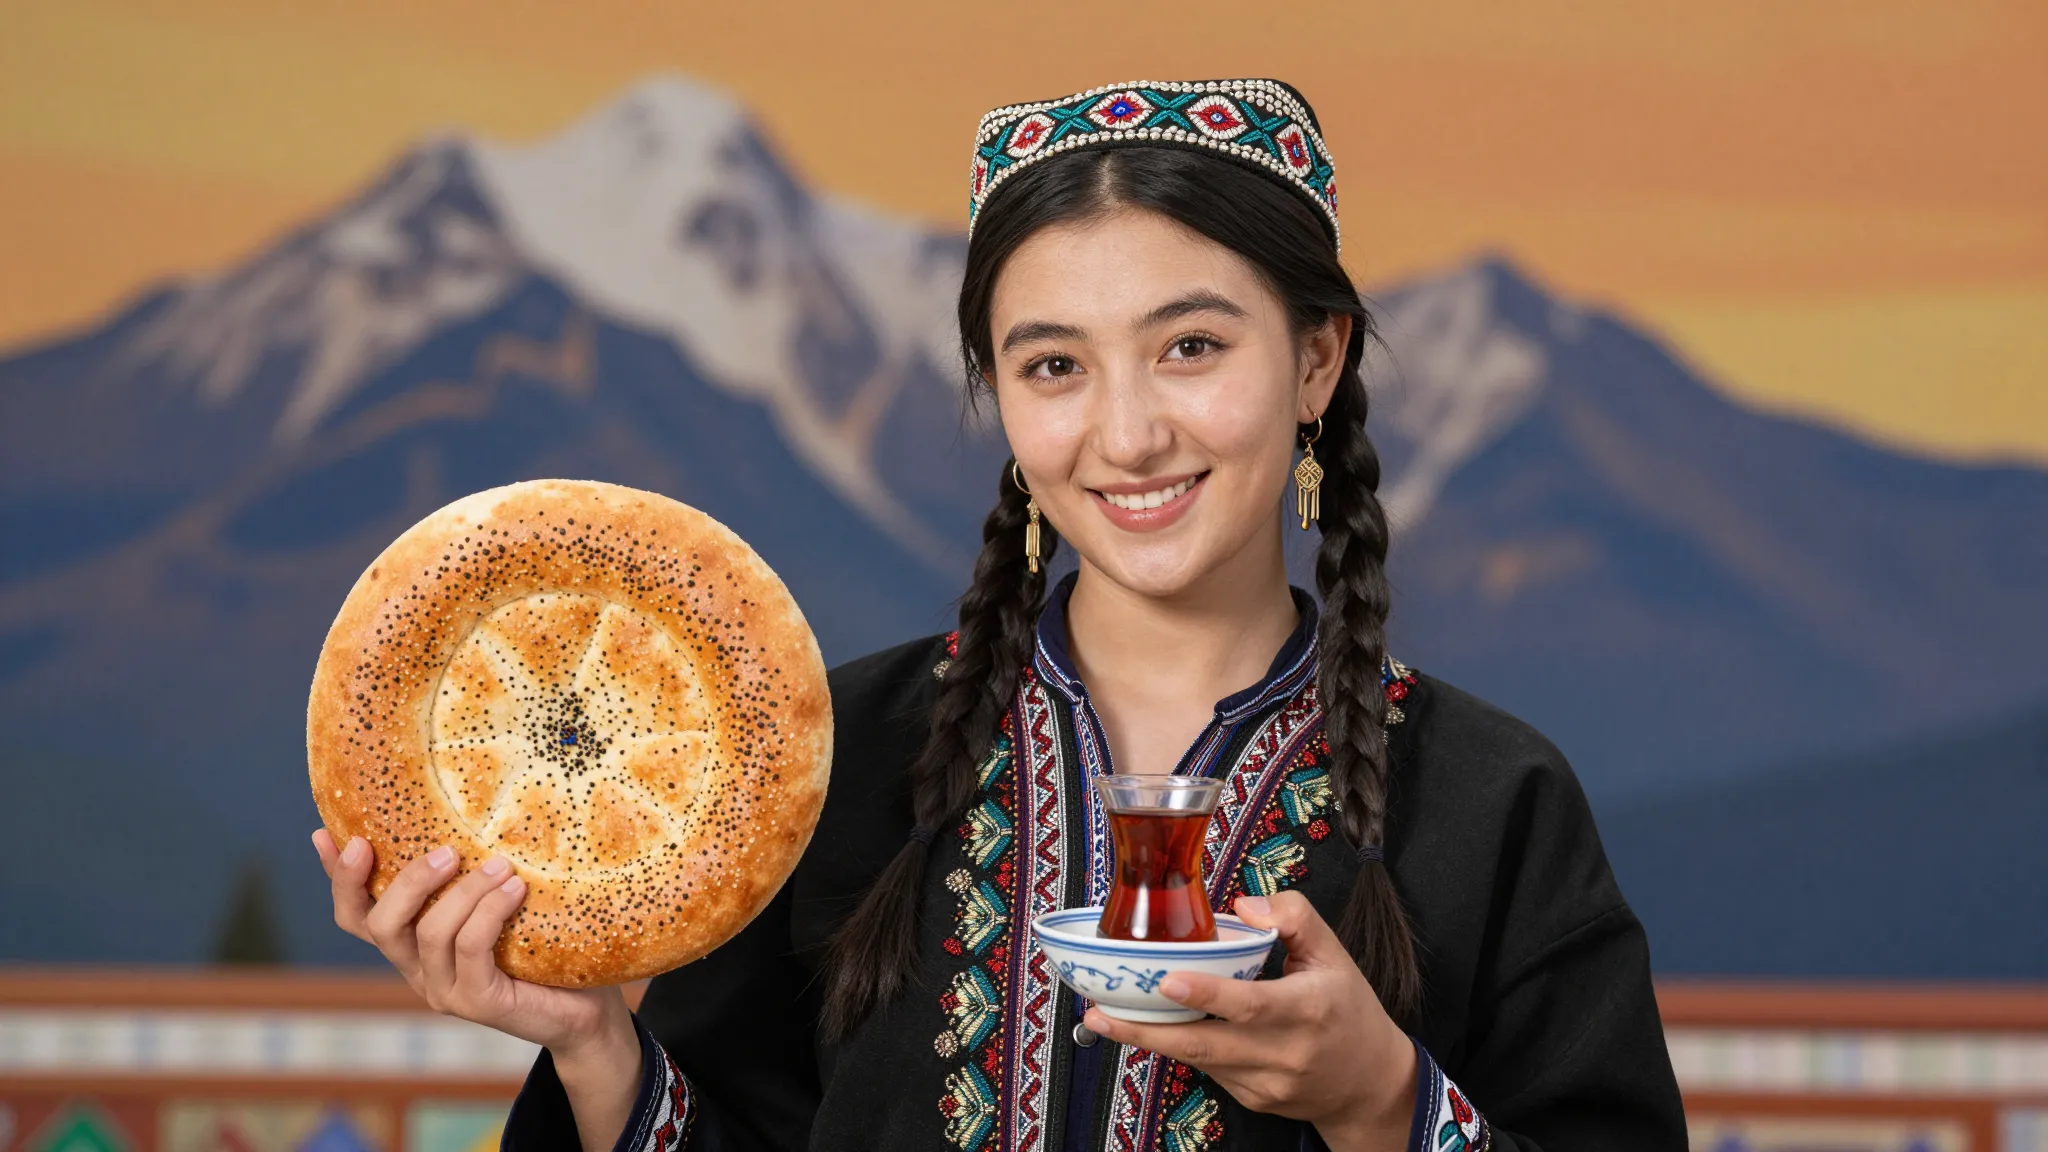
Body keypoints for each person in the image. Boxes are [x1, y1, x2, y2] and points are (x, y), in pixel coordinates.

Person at [313, 78, 1686, 1151]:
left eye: (1192, 346)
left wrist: (1382, 1103)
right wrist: (595, 1045)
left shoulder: (1493, 800)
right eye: (1052, 366)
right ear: (996, 393)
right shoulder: (817, 763)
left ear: (1317, 359)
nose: (1128, 432)